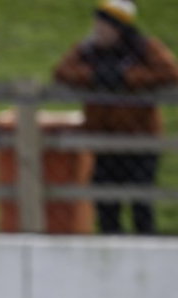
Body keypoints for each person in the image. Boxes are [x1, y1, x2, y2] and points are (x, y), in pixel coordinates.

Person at [52, 0, 178, 235]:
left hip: (140, 139)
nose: (98, 30)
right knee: (106, 203)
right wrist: (94, 76)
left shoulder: (142, 48)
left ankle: (145, 243)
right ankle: (111, 246)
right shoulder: (88, 50)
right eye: (97, 24)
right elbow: (62, 72)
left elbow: (169, 72)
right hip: (103, 139)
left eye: (104, 25)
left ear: (119, 28)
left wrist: (125, 78)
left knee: (141, 201)